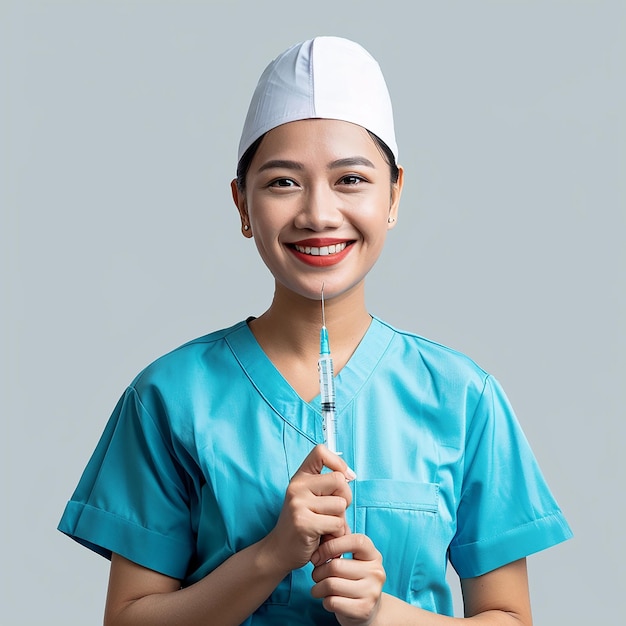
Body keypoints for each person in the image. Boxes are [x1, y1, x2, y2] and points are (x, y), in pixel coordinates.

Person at [58, 36, 572, 625]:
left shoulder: (463, 398)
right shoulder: (169, 398)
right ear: (241, 204)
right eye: (282, 182)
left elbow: (510, 618)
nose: (318, 214)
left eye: (351, 179)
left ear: (394, 194)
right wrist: (271, 556)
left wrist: (381, 614)